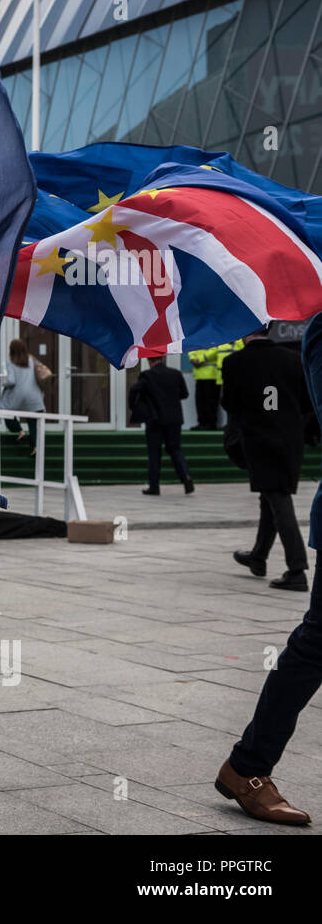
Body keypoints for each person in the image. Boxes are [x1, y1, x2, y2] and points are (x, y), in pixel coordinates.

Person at [216, 314, 322, 826]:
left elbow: (230, 406)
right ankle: (248, 766)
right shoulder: (316, 335)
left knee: (272, 500)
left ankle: (270, 558)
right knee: (319, 641)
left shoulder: (242, 362)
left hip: (264, 440)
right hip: (282, 441)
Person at [222, 325, 310, 592]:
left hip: (259, 438)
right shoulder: (293, 358)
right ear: (268, 328)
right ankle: (258, 557)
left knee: (277, 497)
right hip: (290, 438)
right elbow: (307, 401)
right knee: (270, 496)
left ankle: (297, 569)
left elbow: (230, 403)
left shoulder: (234, 362)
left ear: (242, 332)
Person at [129, 358, 194, 496]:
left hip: (155, 420)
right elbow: (185, 394)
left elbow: (134, 389)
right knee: (175, 449)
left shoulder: (147, 375)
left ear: (148, 360)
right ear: (163, 358)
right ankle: (186, 477)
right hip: (174, 419)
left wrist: (134, 406)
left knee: (154, 453)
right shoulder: (176, 373)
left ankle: (154, 486)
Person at [0, 338, 46, 453]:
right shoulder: (32, 361)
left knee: (5, 411)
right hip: (34, 398)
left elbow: (11, 381)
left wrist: (3, 380)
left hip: (17, 398)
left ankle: (20, 432)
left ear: (12, 351)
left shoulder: (11, 364)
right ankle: (35, 448)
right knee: (33, 423)